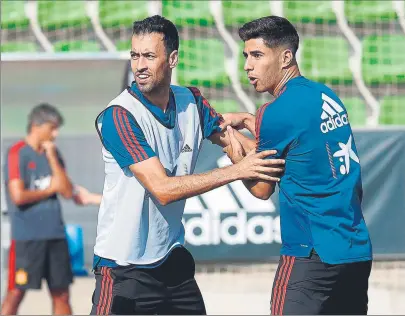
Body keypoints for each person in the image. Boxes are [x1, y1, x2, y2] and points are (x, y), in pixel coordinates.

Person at [91, 15, 284, 315]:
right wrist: (237, 171)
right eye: (134, 55)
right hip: (122, 269)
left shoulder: (191, 102)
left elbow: (257, 181)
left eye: (149, 56)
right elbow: (163, 190)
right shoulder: (119, 116)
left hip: (171, 263)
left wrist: (255, 129)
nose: (140, 65)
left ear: (173, 59)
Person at [222, 16, 373, 315]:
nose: (247, 66)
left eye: (257, 55)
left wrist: (227, 143)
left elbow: (262, 187)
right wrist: (250, 121)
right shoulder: (325, 94)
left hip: (311, 256)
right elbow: (301, 145)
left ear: (286, 57)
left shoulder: (275, 112)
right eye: (245, 56)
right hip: (355, 250)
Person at [1, 103, 101, 315]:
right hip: (26, 240)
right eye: (52, 128)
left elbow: (65, 192)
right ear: (38, 126)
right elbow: (18, 196)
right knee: (16, 293)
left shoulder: (53, 154)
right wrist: (49, 190)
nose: (55, 134)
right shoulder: (17, 153)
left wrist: (52, 158)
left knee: (62, 294)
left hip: (55, 235)